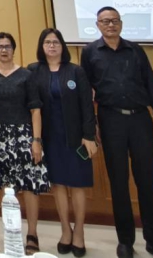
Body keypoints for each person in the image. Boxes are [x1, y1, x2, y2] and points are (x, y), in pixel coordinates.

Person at [81, 7, 153, 258]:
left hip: (141, 120)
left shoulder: (136, 50)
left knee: (147, 182)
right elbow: (86, 93)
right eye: (105, 21)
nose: (111, 25)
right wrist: (91, 127)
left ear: (121, 23)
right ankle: (125, 241)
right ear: (98, 25)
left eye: (115, 21)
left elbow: (151, 85)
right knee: (118, 183)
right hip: (111, 121)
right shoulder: (90, 52)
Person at [29, 28, 96, 258]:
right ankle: (65, 230)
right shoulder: (34, 70)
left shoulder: (75, 71)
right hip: (49, 137)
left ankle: (79, 232)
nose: (52, 46)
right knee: (57, 185)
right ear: (42, 46)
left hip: (76, 138)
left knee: (77, 184)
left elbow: (87, 105)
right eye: (47, 42)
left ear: (62, 46)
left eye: (56, 42)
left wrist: (89, 135)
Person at [0, 32, 50, 256]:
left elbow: (36, 110)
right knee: (7, 188)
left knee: (30, 186)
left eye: (8, 46)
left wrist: (36, 140)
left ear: (14, 49)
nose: (4, 50)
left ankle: (32, 234)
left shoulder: (26, 75)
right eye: (0, 46)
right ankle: (12, 232)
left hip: (24, 135)